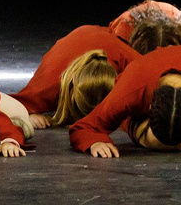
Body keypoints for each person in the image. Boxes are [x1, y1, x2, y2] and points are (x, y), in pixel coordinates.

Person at [13, 25, 141, 129]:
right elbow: (9, 104)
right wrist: (26, 114)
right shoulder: (47, 85)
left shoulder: (131, 63)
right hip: (76, 42)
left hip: (111, 36)